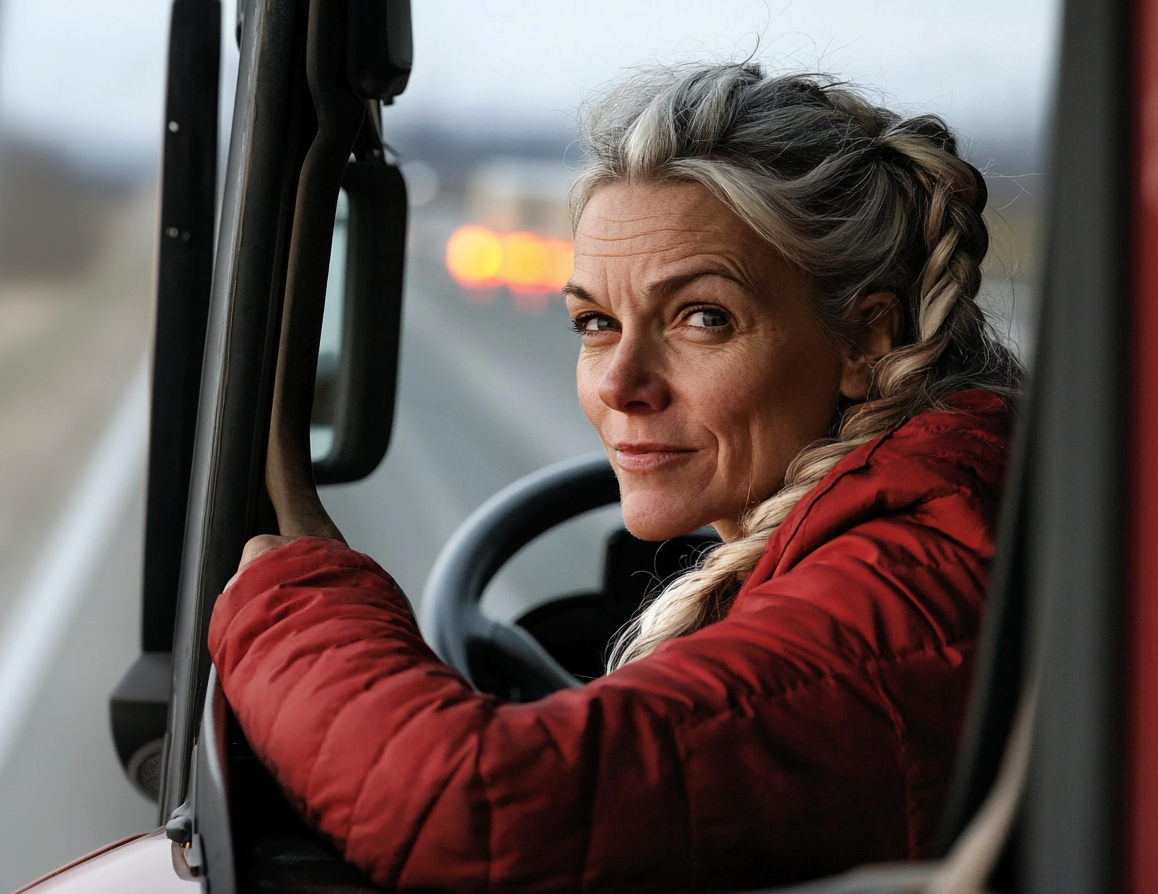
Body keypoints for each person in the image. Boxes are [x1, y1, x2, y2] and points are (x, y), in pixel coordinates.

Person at [208, 62, 1021, 891]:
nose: (619, 384)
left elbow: (472, 805)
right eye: (595, 323)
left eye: (702, 318)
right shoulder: (942, 514)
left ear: (866, 340)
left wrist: (293, 600)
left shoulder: (908, 589)